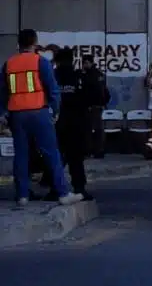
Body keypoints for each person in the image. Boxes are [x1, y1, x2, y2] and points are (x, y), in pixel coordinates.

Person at [3, 30, 82, 207]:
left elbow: (3, 93)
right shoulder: (41, 62)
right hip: (38, 112)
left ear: (19, 44)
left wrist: (3, 115)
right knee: (51, 153)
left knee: (21, 155)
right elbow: (53, 89)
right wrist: (54, 111)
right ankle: (63, 193)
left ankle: (22, 195)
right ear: (35, 43)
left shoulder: (9, 64)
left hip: (16, 114)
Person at [55, 51, 103, 200]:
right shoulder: (79, 77)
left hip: (57, 122)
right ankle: (79, 188)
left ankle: (54, 188)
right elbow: (99, 96)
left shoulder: (52, 77)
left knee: (56, 157)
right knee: (75, 158)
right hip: (77, 123)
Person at [77, 53, 109, 159]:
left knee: (88, 130)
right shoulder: (99, 74)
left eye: (85, 63)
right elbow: (105, 92)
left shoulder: (88, 76)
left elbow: (87, 92)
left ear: (90, 63)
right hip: (97, 106)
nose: (83, 65)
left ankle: (89, 151)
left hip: (90, 106)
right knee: (97, 129)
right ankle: (98, 150)